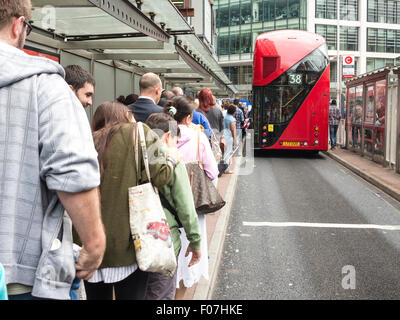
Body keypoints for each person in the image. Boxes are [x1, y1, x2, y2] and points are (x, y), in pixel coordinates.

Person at [0, 0, 106, 300]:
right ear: (19, 25)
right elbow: (72, 170)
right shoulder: (46, 87)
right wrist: (94, 243)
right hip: (20, 278)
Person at [83, 101, 177, 300]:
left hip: (89, 244)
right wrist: (170, 157)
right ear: (125, 116)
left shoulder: (86, 139)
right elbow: (161, 176)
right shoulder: (139, 132)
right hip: (129, 244)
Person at [164, 96, 218, 297]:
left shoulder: (160, 134)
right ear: (189, 117)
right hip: (193, 206)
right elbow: (212, 172)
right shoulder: (198, 137)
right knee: (189, 257)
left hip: (164, 208)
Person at [145, 113, 202, 300]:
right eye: (176, 140)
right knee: (160, 293)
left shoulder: (135, 155)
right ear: (168, 136)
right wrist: (195, 242)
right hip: (163, 239)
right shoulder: (172, 159)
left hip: (135, 237)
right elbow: (185, 206)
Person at [223, 104, 238, 173]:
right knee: (227, 152)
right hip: (228, 137)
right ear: (234, 112)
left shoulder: (225, 117)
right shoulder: (232, 119)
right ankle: (226, 169)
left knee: (224, 152)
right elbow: (233, 130)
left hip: (223, 135)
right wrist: (235, 139)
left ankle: (224, 167)